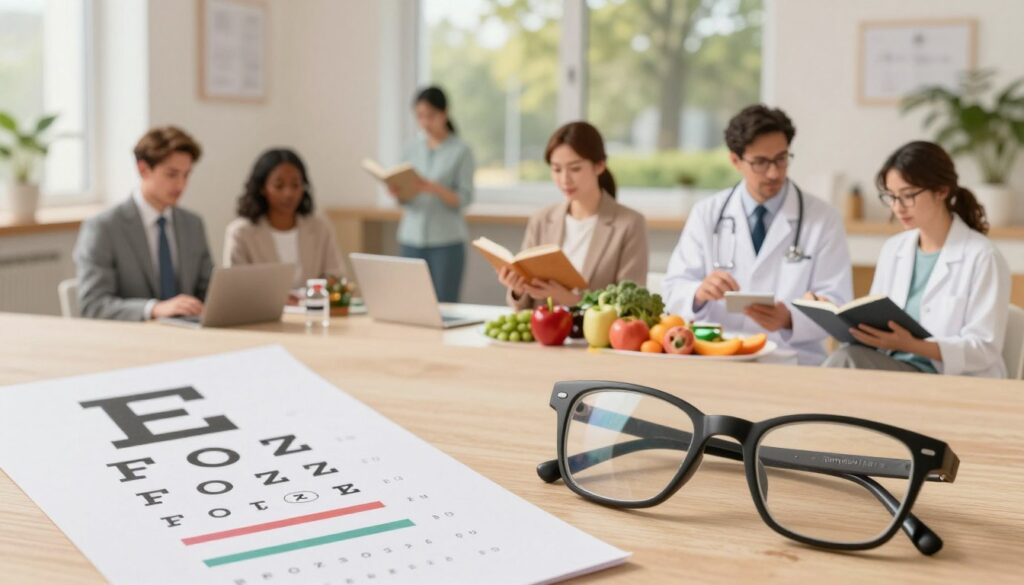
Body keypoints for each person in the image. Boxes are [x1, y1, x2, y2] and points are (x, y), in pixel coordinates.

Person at [663, 105, 852, 365]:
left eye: (781, 159)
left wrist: (789, 319)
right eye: (761, 162)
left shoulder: (823, 219)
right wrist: (699, 292)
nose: (774, 173)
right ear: (735, 161)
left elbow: (838, 306)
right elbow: (673, 290)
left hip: (793, 362)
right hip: (716, 358)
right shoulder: (706, 214)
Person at [823, 141, 1010, 377]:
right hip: (893, 370)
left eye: (908, 195)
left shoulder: (983, 256)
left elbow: (984, 349)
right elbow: (875, 317)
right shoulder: (894, 249)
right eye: (891, 197)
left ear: (941, 191)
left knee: (845, 361)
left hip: (952, 380)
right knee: (844, 359)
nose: (898, 207)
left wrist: (911, 345)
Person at [500, 121, 648, 309]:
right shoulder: (541, 220)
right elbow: (524, 307)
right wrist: (517, 289)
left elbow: (630, 307)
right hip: (543, 336)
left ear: (599, 166)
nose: (564, 179)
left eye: (575, 168)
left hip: (595, 338)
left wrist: (569, 299)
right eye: (556, 169)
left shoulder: (629, 224)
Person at [74, 126, 212, 321]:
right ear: (143, 169)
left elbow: (208, 290)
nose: (181, 185)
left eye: (186, 174)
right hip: (131, 339)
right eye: (172, 174)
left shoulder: (192, 224)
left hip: (190, 334)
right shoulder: (104, 227)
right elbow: (93, 305)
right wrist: (154, 309)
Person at [390, 86, 475, 302]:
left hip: (446, 240)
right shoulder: (411, 148)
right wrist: (398, 191)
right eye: (420, 116)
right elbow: (405, 199)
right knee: (411, 302)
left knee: (445, 304)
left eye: (431, 116)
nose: (425, 122)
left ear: (444, 114)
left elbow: (464, 199)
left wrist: (435, 188)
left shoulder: (461, 151)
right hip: (411, 237)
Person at [223, 148, 343, 289]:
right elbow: (236, 288)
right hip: (263, 311)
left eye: (295, 185)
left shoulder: (320, 227)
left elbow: (336, 278)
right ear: (262, 188)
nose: (288, 194)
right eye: (279, 186)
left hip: (312, 309)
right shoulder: (241, 232)